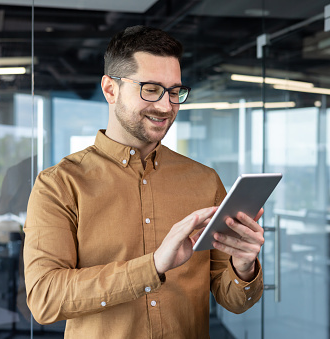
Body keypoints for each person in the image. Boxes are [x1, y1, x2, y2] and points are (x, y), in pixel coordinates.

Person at [23, 25, 264, 339]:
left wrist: (244, 266)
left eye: (175, 91)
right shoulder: (59, 185)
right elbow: (45, 298)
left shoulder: (205, 181)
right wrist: (153, 265)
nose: (166, 106)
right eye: (151, 89)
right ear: (111, 90)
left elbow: (233, 300)